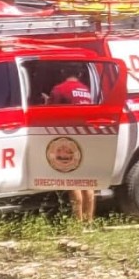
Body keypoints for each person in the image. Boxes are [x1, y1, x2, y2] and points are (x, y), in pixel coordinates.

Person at [47, 68, 96, 224]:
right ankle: (89, 222)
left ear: (62, 73)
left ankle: (78, 222)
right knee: (87, 181)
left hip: (69, 138)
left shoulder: (59, 89)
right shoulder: (85, 90)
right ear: (80, 74)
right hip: (85, 136)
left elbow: (51, 113)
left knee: (73, 181)